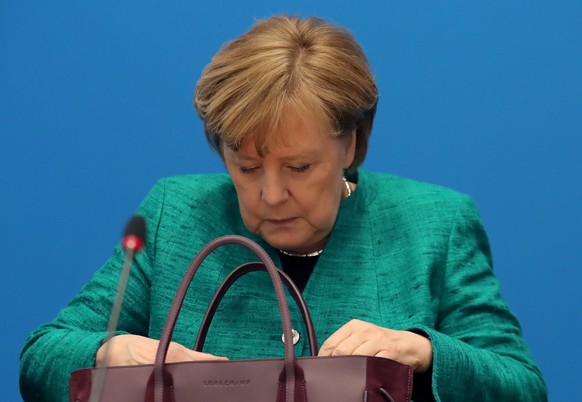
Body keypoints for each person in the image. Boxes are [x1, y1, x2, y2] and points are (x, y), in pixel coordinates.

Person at [20, 15, 547, 401]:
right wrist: (108, 353)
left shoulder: (437, 223)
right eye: (247, 169)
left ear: (351, 144)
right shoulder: (172, 212)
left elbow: (522, 385)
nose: (270, 195)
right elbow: (43, 355)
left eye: (298, 168)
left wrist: (425, 352)